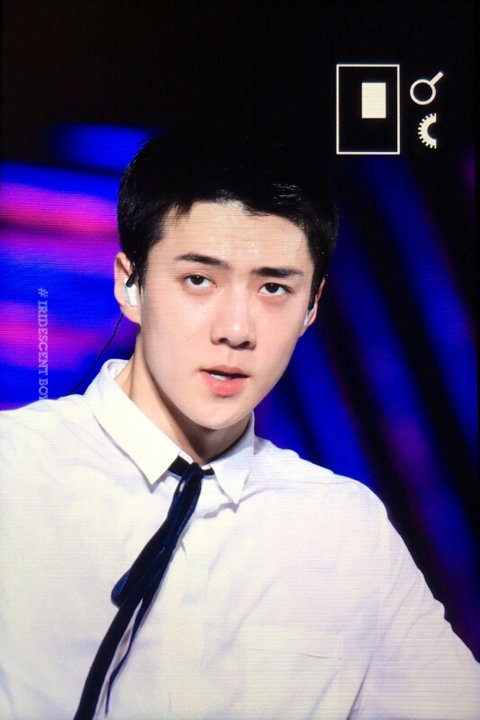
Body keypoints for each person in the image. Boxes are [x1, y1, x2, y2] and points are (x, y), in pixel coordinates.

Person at [1, 128, 478, 720]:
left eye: (274, 288)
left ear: (312, 307)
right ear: (130, 284)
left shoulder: (341, 529)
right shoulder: (16, 470)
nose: (236, 329)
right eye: (199, 280)